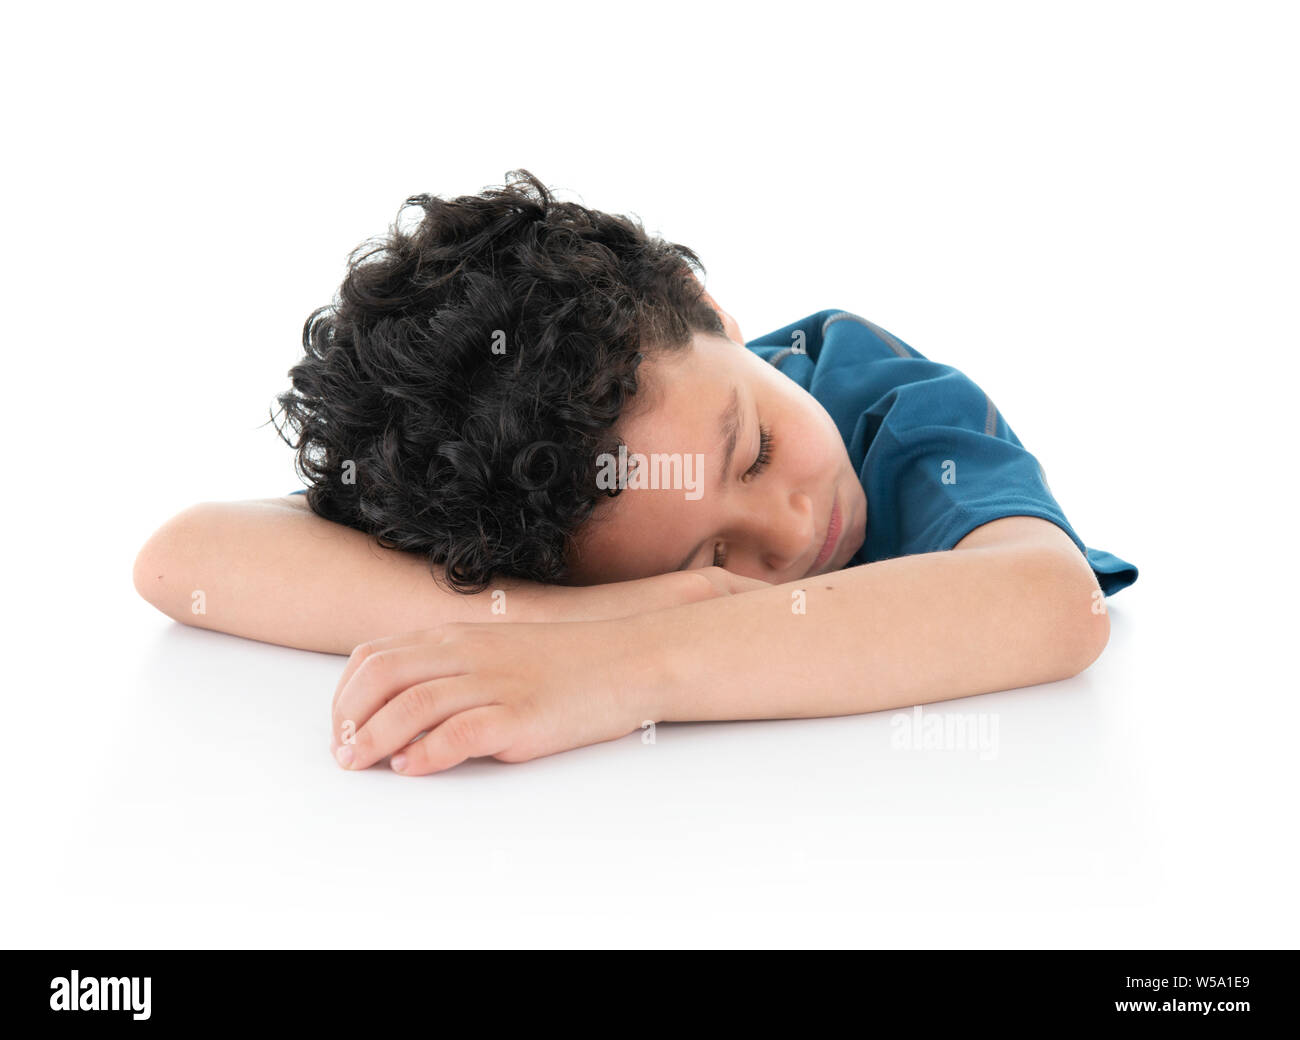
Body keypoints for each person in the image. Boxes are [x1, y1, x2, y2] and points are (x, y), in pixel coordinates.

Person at [133, 169, 1137, 776]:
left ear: (709, 307)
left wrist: (617, 669)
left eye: (754, 448)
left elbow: (1055, 604)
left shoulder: (868, 392)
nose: (790, 531)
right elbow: (184, 558)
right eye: (708, 553)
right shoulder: (539, 510)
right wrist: (574, 618)